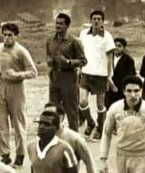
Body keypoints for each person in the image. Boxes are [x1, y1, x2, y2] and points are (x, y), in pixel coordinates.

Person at [0, 23, 38, 168]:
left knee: (18, 123)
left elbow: (33, 72)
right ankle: (4, 155)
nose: (6, 38)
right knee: (0, 123)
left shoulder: (21, 51)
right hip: (1, 86)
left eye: (10, 35)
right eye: (4, 35)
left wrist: (17, 74)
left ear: (15, 36)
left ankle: (20, 155)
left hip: (16, 88)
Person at [78, 9, 116, 139]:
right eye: (94, 19)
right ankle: (90, 122)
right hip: (85, 73)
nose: (96, 21)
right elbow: (80, 52)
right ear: (90, 21)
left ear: (102, 21)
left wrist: (109, 76)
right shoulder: (83, 34)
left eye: (99, 19)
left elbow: (110, 58)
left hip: (101, 75)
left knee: (100, 104)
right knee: (82, 101)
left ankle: (100, 127)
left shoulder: (107, 37)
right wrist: (79, 68)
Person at [46, 13, 86, 131]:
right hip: (54, 77)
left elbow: (83, 61)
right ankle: (54, 136)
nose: (58, 26)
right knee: (53, 110)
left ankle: (74, 139)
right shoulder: (50, 40)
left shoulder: (74, 41)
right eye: (57, 23)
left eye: (61, 24)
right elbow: (48, 54)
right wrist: (49, 60)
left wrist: (68, 62)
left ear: (67, 26)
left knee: (71, 111)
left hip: (69, 78)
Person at [106, 38, 137, 109]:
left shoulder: (129, 60)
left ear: (124, 48)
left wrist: (123, 88)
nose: (116, 48)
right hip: (108, 88)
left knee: (120, 108)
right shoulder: (108, 57)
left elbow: (130, 76)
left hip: (120, 89)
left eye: (119, 46)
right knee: (108, 108)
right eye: (115, 45)